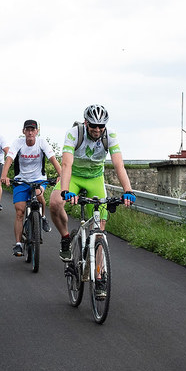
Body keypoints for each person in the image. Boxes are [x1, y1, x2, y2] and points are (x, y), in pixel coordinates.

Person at [48, 104, 136, 261]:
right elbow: (66, 164)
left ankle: (99, 273)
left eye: (101, 126)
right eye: (93, 125)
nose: (97, 129)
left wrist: (128, 191)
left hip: (95, 178)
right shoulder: (74, 133)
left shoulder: (110, 136)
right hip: (74, 176)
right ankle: (65, 237)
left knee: (99, 229)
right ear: (86, 122)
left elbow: (118, 165)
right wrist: (66, 190)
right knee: (55, 203)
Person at [1, 120, 62, 256]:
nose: (30, 132)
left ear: (37, 131)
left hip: (39, 178)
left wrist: (61, 176)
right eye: (27, 130)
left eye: (32, 130)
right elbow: (9, 159)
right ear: (23, 131)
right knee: (19, 212)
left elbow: (53, 159)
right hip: (21, 180)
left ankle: (43, 217)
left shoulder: (42, 143)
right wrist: (4, 176)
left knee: (39, 195)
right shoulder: (18, 143)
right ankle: (18, 244)